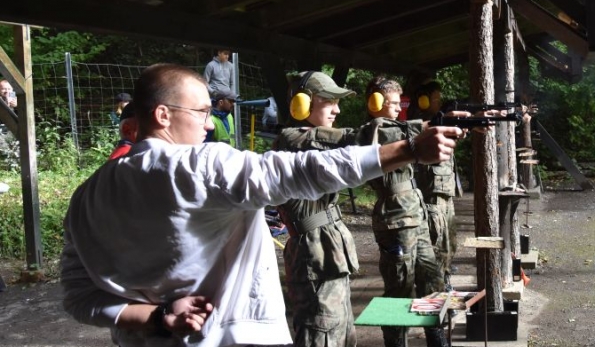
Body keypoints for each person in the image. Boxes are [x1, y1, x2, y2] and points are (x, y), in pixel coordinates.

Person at [60, 63, 462, 347]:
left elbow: (79, 297)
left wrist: (160, 316)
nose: (208, 124)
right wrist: (410, 147)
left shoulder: (86, 196)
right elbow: (305, 170)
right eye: (201, 112)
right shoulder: (203, 164)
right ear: (163, 115)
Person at [356, 76, 449, 347]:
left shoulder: (399, 129)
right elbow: (404, 134)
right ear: (376, 103)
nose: (399, 108)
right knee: (399, 289)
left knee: (432, 279)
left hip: (415, 215)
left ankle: (436, 337)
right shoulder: (373, 132)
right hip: (395, 220)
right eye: (394, 103)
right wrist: (437, 125)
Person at [273, 71, 361, 347]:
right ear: (302, 104)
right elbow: (356, 140)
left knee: (343, 335)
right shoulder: (291, 141)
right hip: (314, 258)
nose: (337, 110)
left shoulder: (314, 145)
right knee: (321, 336)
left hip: (328, 255)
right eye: (328, 101)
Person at [410, 81, 459, 290]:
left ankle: (444, 278)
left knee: (450, 241)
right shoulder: (417, 125)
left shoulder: (438, 121)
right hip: (432, 194)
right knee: (436, 244)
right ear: (423, 100)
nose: (439, 101)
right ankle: (433, 288)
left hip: (444, 191)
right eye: (435, 98)